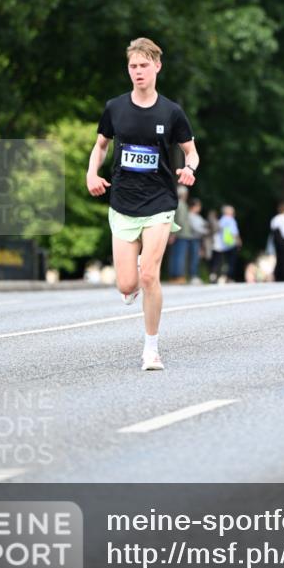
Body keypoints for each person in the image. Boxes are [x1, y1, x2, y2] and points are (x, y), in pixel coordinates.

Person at [86, 37, 199, 371]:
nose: (138, 72)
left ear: (157, 67)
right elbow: (101, 145)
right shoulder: (115, 108)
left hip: (160, 201)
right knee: (126, 284)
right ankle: (132, 282)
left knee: (149, 276)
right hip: (122, 201)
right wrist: (92, 173)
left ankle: (151, 348)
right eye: (133, 66)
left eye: (144, 66)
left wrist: (189, 169)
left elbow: (191, 151)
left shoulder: (171, 112)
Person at [168, 185, 193, 284]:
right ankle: (179, 276)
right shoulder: (182, 204)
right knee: (180, 256)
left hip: (176, 234)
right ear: (184, 194)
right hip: (182, 234)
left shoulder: (175, 203)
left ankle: (173, 276)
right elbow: (181, 221)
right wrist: (175, 233)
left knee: (174, 255)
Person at [210, 205, 241, 282]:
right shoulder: (231, 220)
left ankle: (215, 275)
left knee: (219, 261)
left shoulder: (221, 220)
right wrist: (238, 241)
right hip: (230, 244)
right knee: (230, 261)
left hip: (220, 245)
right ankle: (227, 277)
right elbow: (234, 232)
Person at [188, 198, 208, 284]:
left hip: (198, 239)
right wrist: (206, 231)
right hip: (193, 239)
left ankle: (196, 275)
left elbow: (205, 224)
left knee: (197, 257)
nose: (200, 208)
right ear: (194, 206)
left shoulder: (198, 216)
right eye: (198, 206)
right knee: (194, 258)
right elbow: (196, 228)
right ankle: (193, 276)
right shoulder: (190, 215)